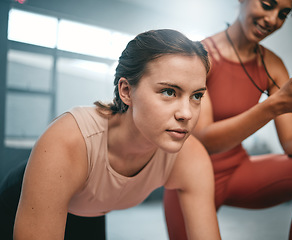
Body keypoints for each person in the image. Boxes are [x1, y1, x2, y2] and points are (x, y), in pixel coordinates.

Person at [164, 1, 292, 240]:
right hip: (189, 177)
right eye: (267, 4)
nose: (272, 19)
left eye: (283, 14)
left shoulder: (271, 64)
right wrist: (275, 105)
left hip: (236, 170)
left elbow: (291, 140)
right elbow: (205, 140)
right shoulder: (199, 55)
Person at [0, 29, 221, 240]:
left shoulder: (191, 157)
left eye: (196, 96)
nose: (186, 114)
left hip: (90, 208)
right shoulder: (68, 141)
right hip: (22, 202)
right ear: (126, 91)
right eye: (169, 91)